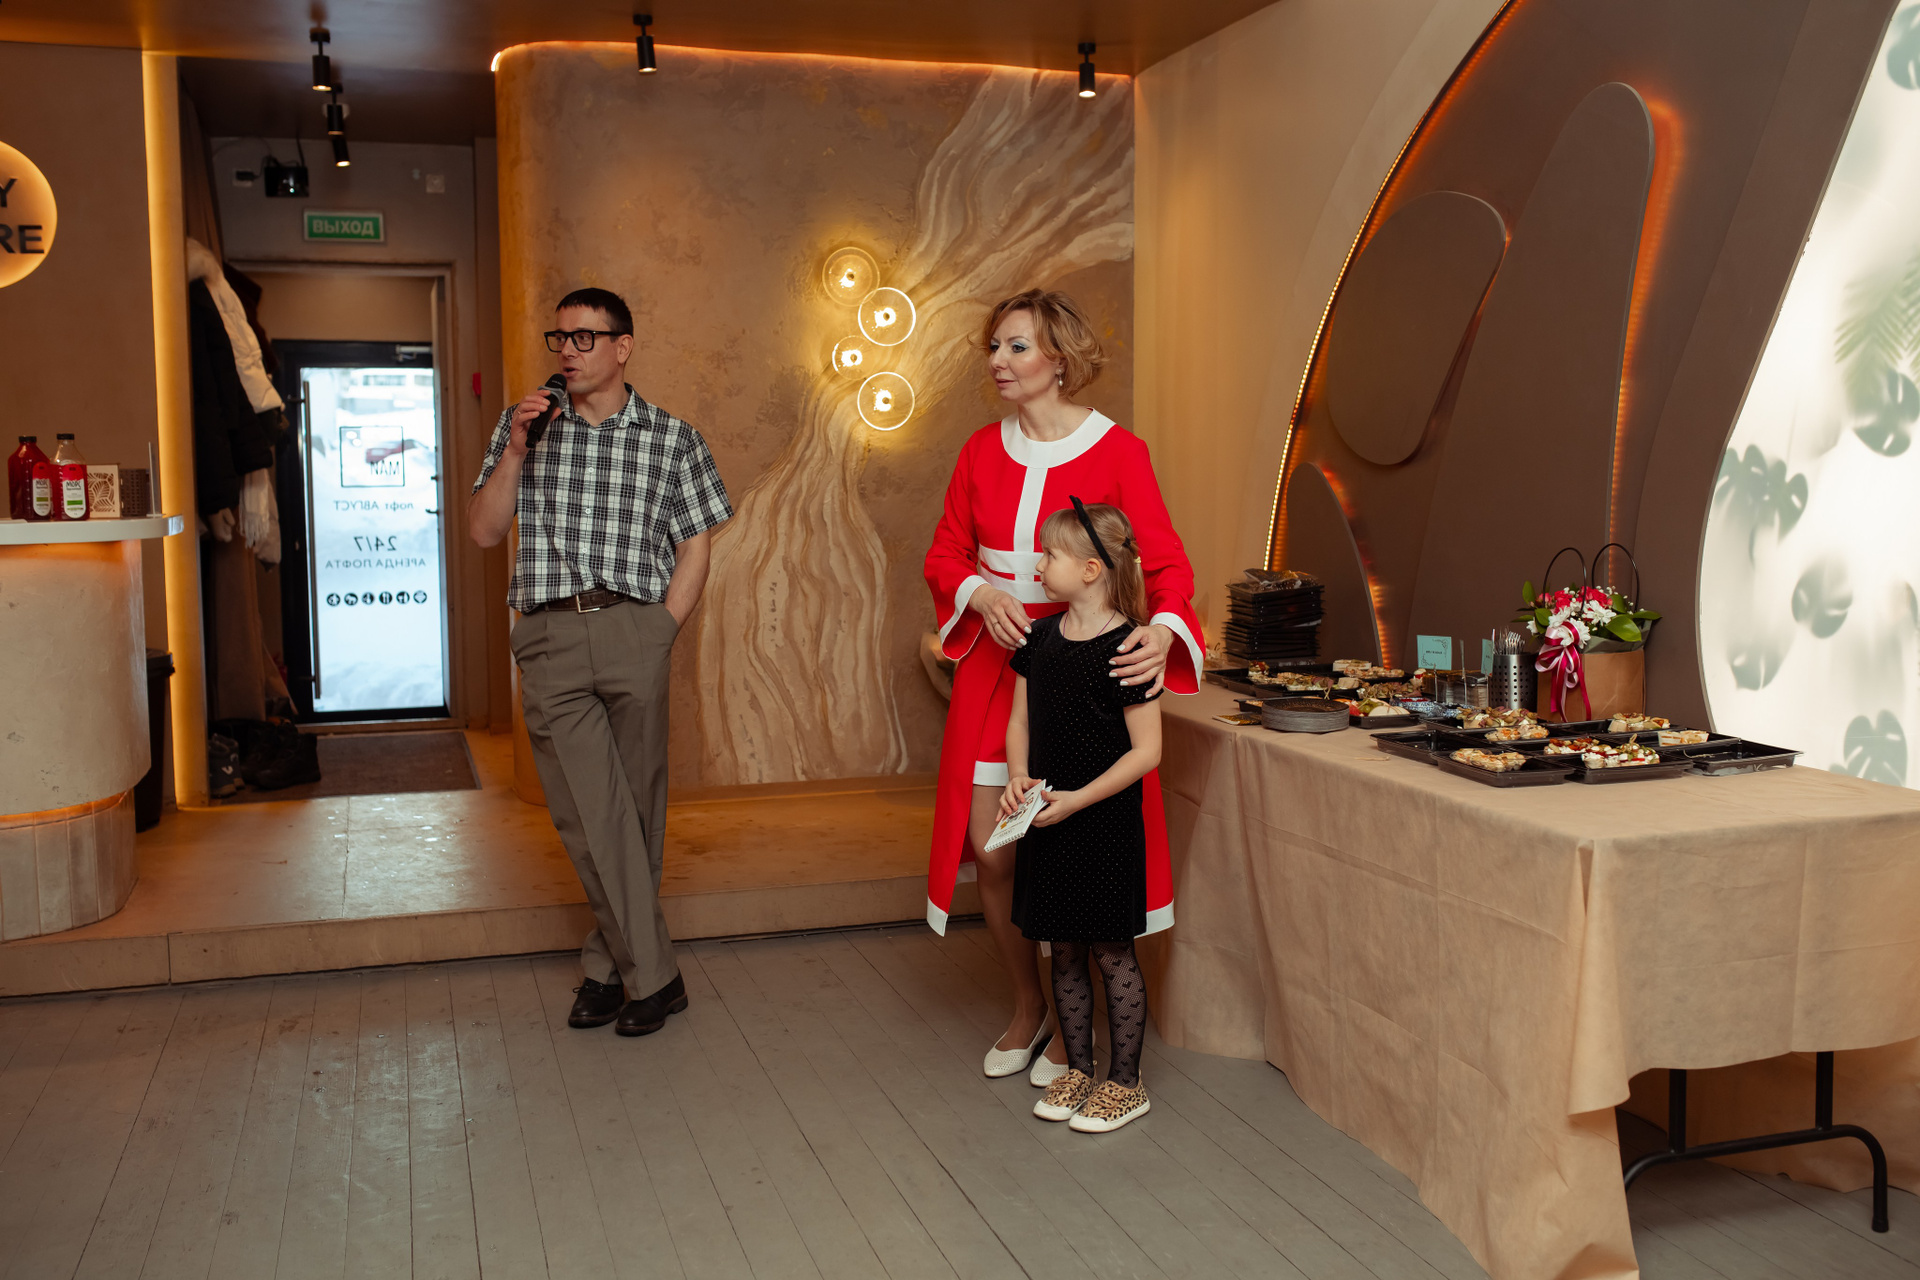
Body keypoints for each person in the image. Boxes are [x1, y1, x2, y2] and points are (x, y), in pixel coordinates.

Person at [923, 289, 1204, 1085]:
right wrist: (981, 595)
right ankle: (1030, 1004)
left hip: (1081, 675)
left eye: (1017, 347)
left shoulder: (1120, 451)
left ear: (1061, 358)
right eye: (994, 346)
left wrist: (1162, 632)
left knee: (1068, 853)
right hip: (998, 671)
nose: (998, 361)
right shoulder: (979, 450)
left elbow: (1167, 564)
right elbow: (944, 554)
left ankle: (1069, 1032)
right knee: (995, 852)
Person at [468, 287, 732, 1036]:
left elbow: (697, 541)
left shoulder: (673, 438)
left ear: (623, 347)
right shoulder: (523, 427)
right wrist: (516, 451)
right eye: (560, 337)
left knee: (636, 813)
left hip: (635, 628)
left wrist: (663, 628)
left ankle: (607, 967)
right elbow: (484, 532)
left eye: (586, 337)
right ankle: (657, 977)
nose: (569, 351)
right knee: (591, 813)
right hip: (551, 634)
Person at [1002, 500, 1161, 1131]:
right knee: (1062, 947)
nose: (1037, 566)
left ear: (1091, 569)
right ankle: (1078, 1069)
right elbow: (1020, 721)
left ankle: (1126, 1083)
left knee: (1111, 952)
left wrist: (1076, 800)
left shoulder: (1130, 648)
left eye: (1049, 555)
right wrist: (1019, 776)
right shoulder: (1038, 640)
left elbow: (1147, 751)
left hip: (1102, 824)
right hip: (1048, 818)